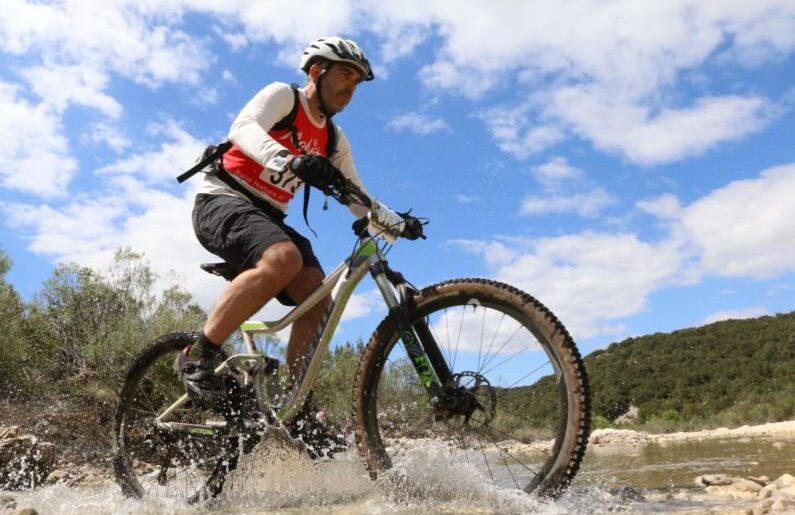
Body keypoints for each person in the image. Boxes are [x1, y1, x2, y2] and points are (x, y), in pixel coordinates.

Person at [184, 37, 374, 456]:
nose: (351, 88)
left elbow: (356, 193)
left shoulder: (333, 140)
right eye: (345, 74)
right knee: (284, 258)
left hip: (268, 217)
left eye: (357, 82)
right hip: (222, 200)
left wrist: (386, 217)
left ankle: (295, 407)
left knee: (317, 295)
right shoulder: (282, 97)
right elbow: (243, 129)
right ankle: (198, 356)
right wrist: (287, 160)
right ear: (315, 72)